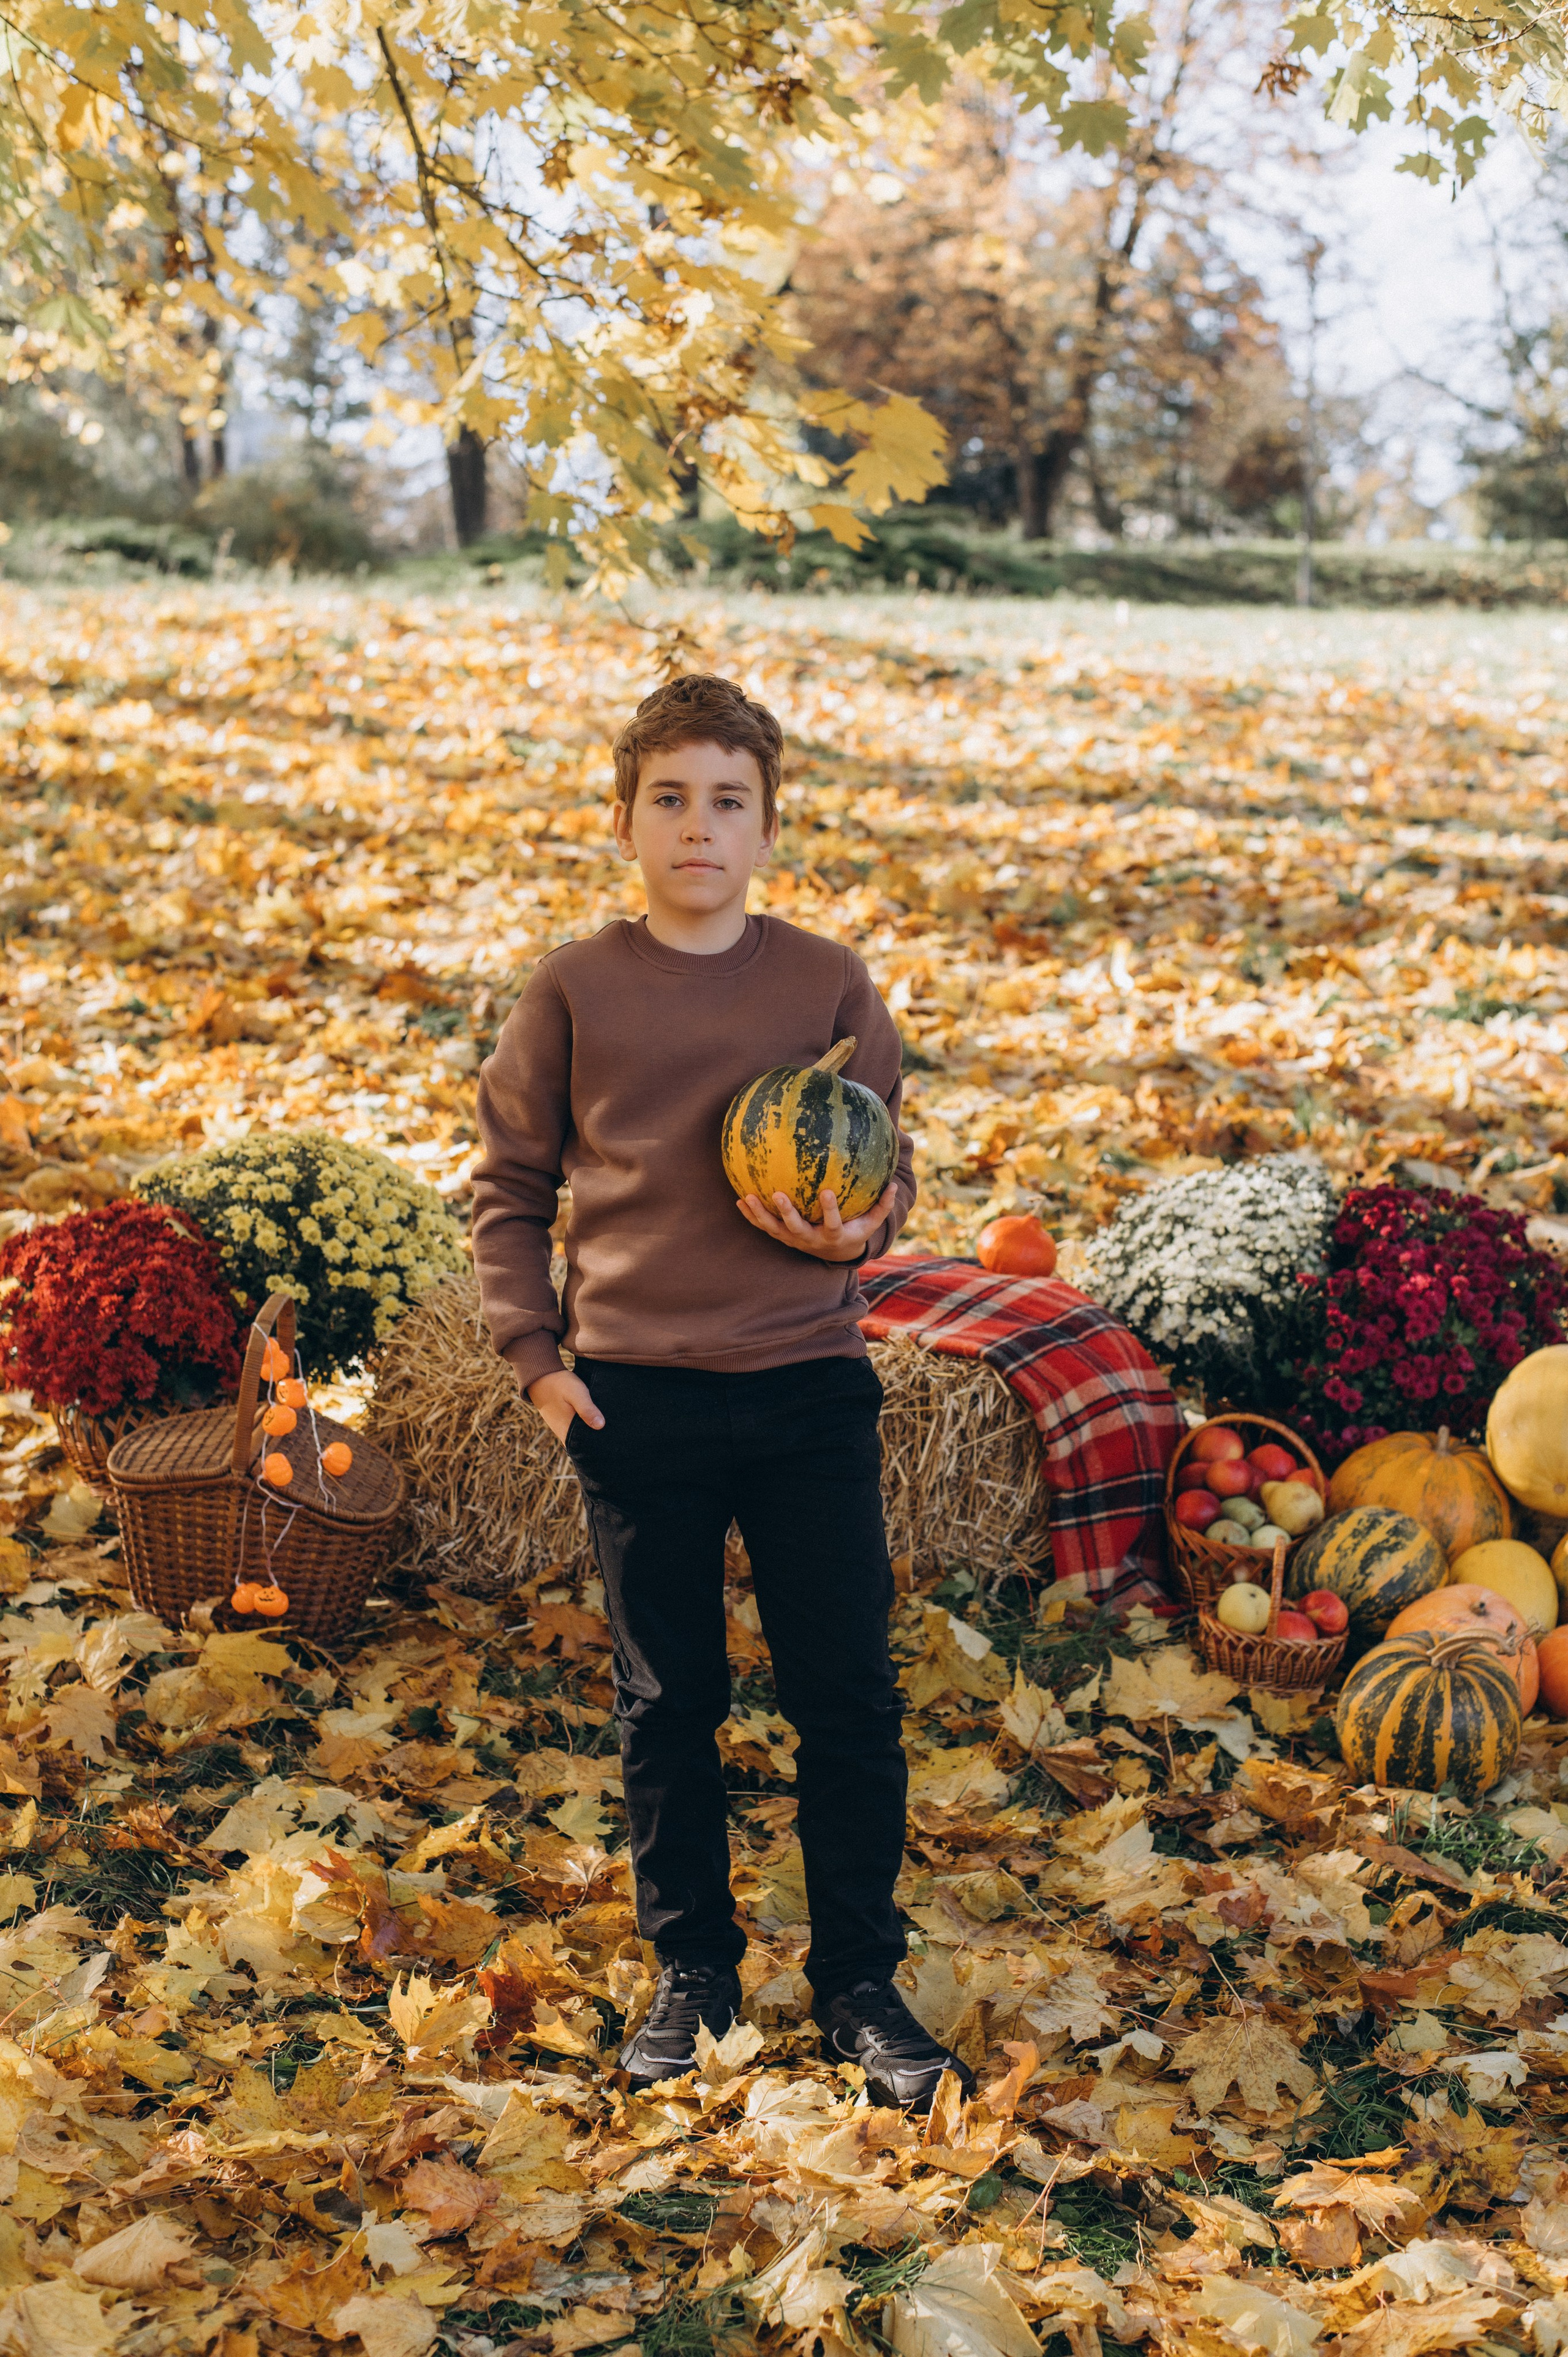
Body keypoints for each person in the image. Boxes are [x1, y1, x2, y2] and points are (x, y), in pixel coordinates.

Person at [470, 671, 973, 2109]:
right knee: (665, 1696)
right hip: (637, 1400)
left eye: (727, 802)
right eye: (670, 799)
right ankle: (690, 1966)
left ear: (767, 828)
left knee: (846, 1695)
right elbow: (507, 1188)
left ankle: (858, 1980)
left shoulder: (826, 985)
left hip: (810, 1386)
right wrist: (536, 1361)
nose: (699, 826)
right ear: (626, 818)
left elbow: (882, 1169)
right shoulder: (575, 988)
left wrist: (856, 1233)